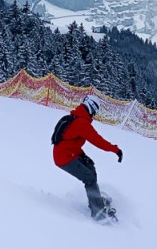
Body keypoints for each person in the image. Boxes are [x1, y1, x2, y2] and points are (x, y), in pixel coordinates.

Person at [53, 93, 123, 221]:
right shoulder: (81, 123)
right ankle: (98, 213)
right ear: (91, 107)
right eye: (95, 111)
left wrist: (81, 155)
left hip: (69, 153)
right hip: (64, 158)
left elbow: (69, 142)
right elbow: (98, 141)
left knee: (90, 168)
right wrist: (115, 150)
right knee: (89, 178)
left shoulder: (75, 117)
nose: (94, 115)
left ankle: (95, 202)